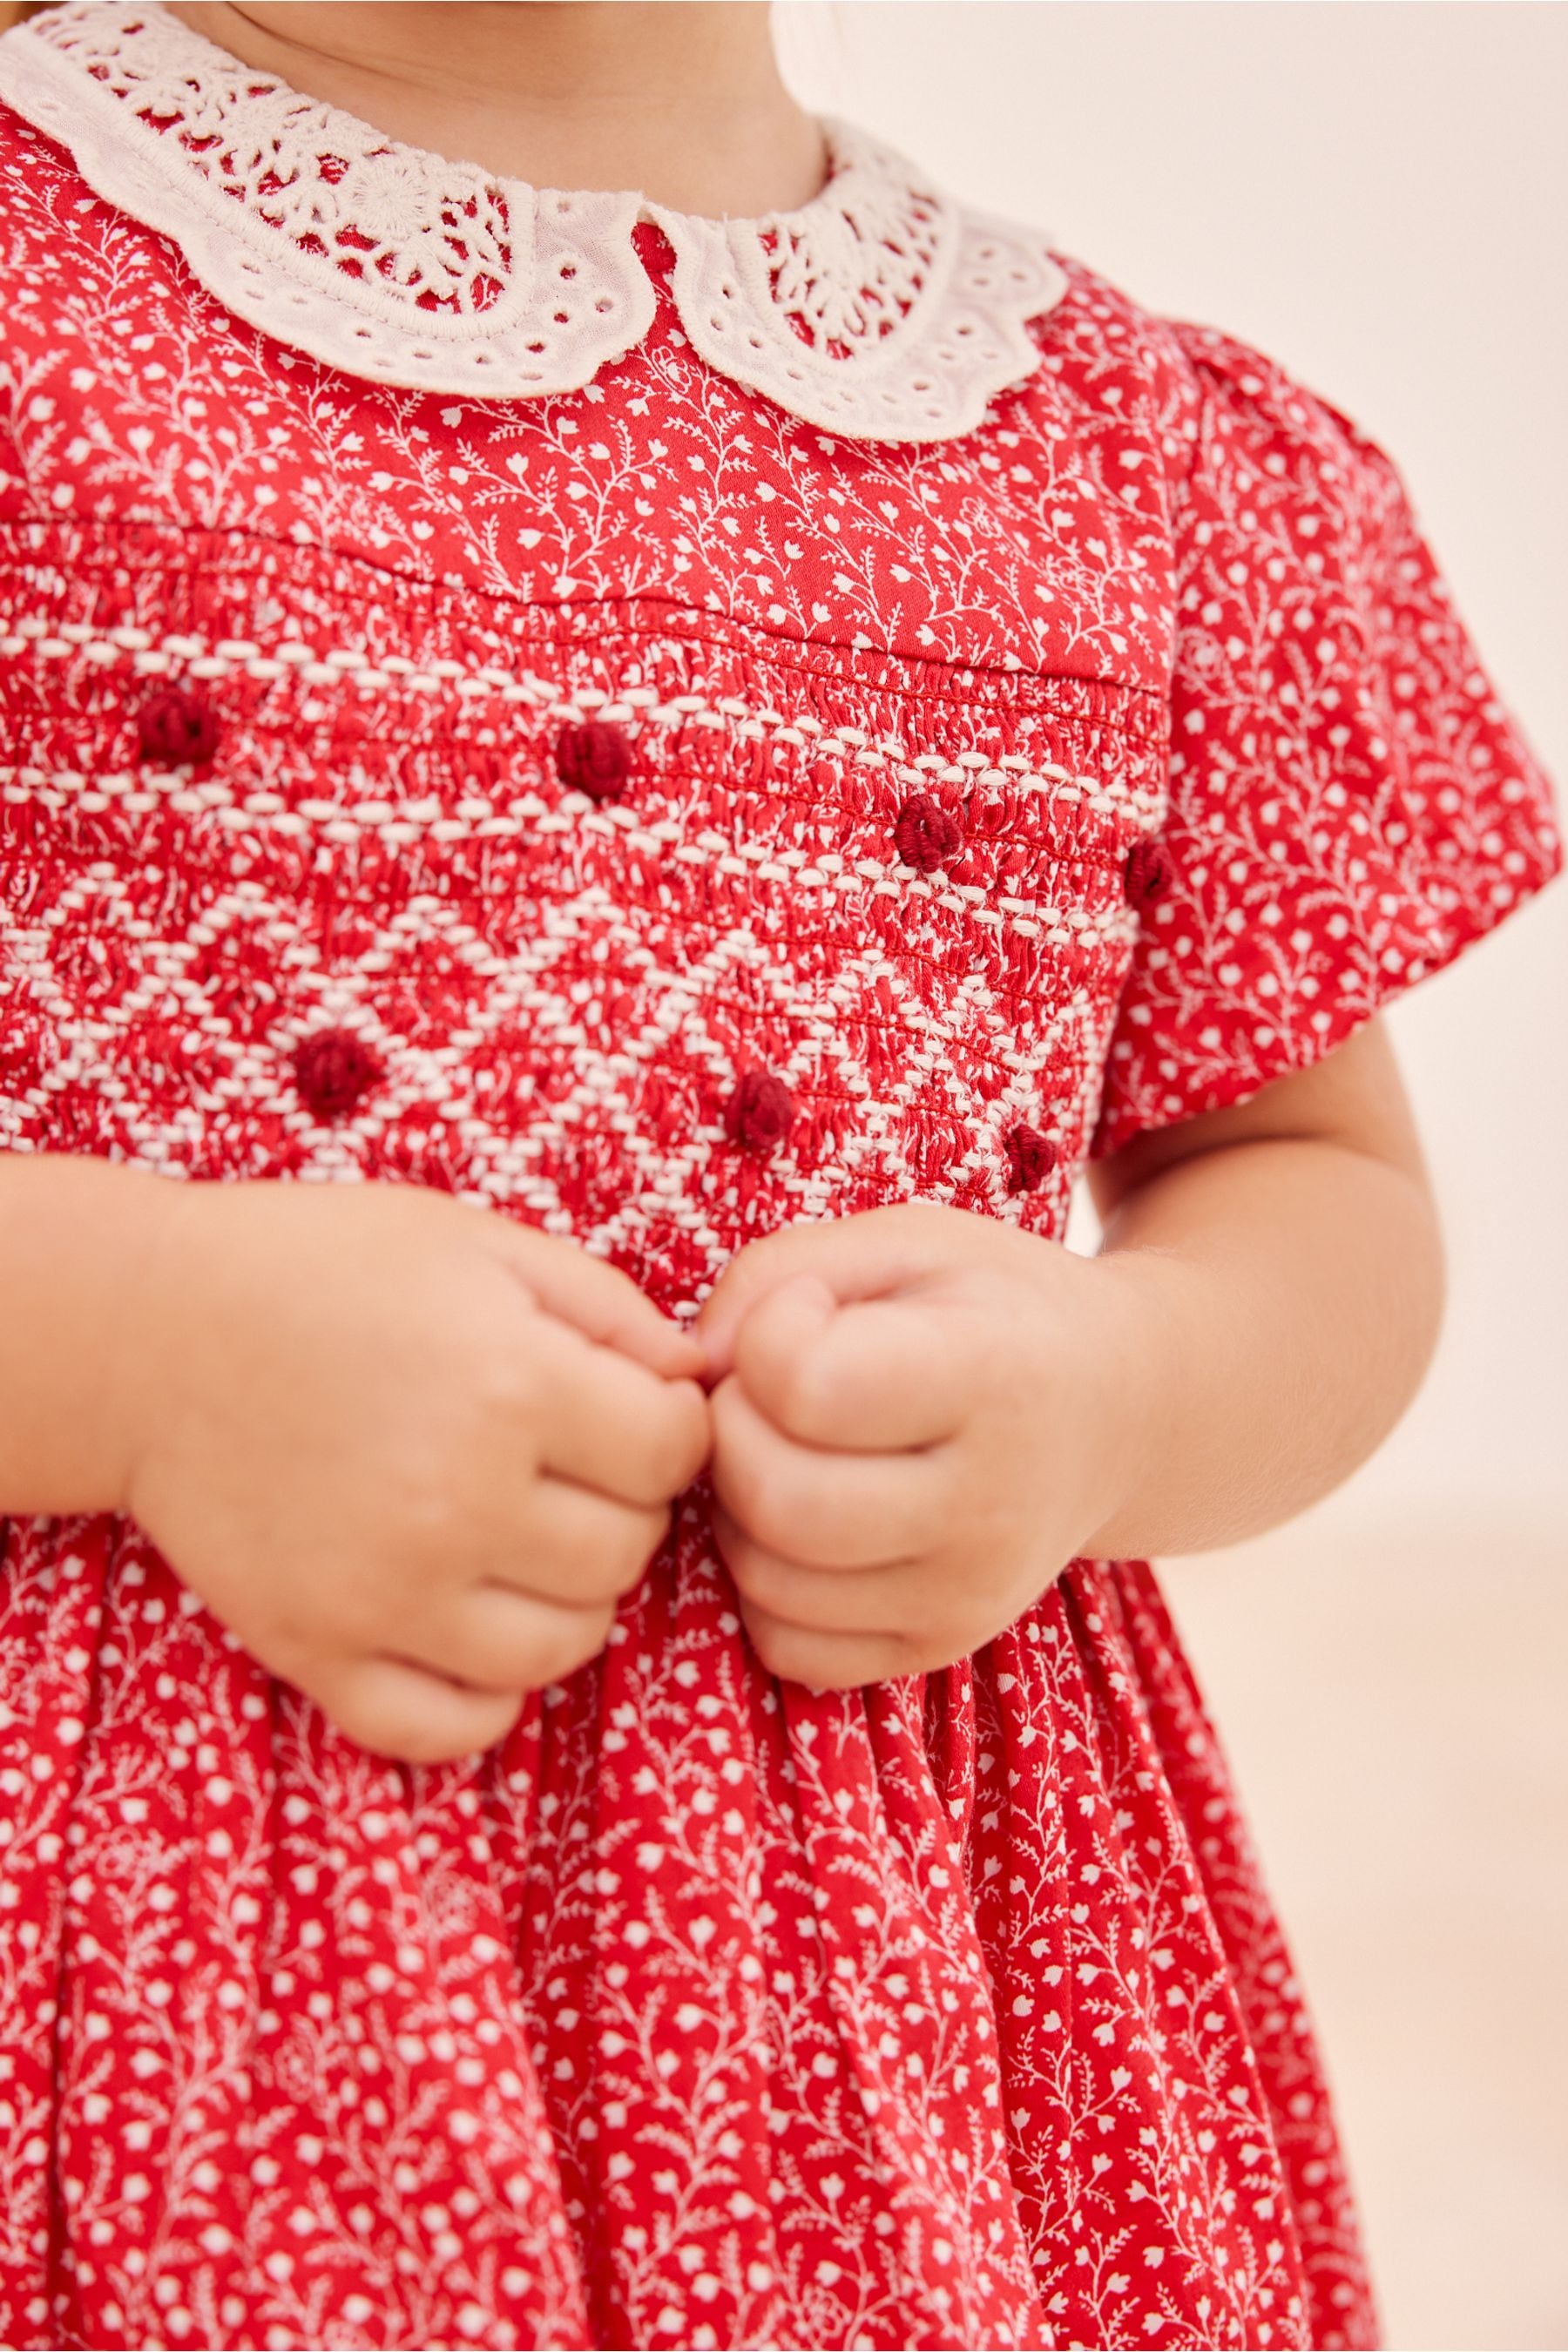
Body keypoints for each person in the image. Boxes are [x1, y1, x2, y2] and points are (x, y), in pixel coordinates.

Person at [0, 3, 1558, 2347]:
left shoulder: (1146, 460)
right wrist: (140, 1352)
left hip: (925, 2034)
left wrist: (1113, 1392)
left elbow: (1317, 1182)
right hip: (133, 1980)